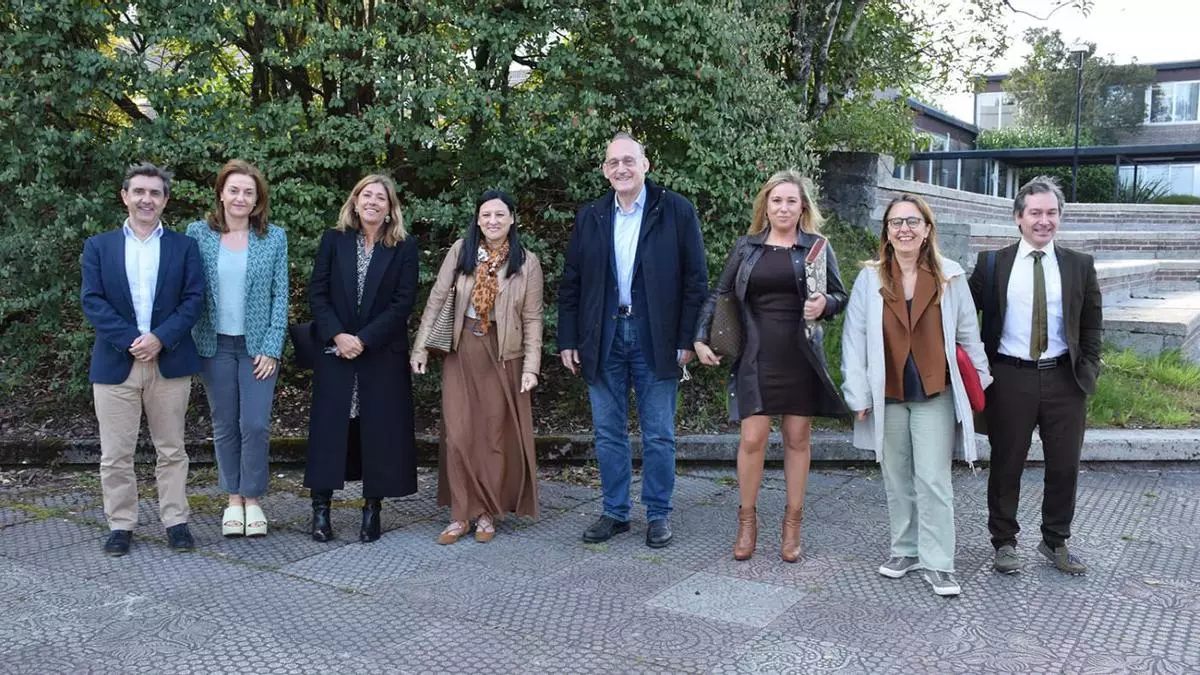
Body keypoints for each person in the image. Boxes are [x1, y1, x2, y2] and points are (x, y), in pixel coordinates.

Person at [557, 132, 709, 548]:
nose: (621, 168)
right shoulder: (592, 216)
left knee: (659, 433)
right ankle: (615, 511)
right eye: (613, 162)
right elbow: (572, 283)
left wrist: (688, 338)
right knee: (608, 432)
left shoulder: (676, 210)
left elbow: (696, 281)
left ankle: (658, 513)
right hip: (602, 336)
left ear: (646, 165)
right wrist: (568, 338)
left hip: (656, 336)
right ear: (605, 171)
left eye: (629, 160)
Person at [694, 169, 849, 563]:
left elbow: (839, 295)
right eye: (776, 200)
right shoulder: (747, 248)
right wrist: (699, 337)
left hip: (801, 356)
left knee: (797, 438)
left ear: (802, 208)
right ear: (765, 206)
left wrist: (826, 304)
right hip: (756, 354)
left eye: (791, 201)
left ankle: (792, 523)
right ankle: (747, 522)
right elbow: (720, 293)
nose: (783, 207)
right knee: (752, 439)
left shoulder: (817, 248)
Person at [840, 194, 992, 596]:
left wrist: (980, 381)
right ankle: (905, 550)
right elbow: (854, 339)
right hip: (887, 392)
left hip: (934, 391)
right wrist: (857, 393)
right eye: (896, 223)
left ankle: (938, 562)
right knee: (896, 476)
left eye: (912, 222)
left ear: (927, 230)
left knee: (933, 479)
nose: (904, 229)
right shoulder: (870, 278)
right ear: (886, 232)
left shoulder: (950, 276)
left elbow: (967, 334)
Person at [969, 175, 1102, 576]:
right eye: (1035, 213)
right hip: (1010, 377)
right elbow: (962, 317)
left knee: (1065, 466)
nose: (1044, 221)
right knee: (1007, 464)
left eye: (1051, 213)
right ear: (1018, 217)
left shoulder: (1080, 265)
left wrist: (1088, 369)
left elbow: (1092, 324)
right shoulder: (992, 264)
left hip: (1065, 378)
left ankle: (1055, 540)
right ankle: (1004, 542)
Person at [81, 162, 204, 557]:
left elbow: (194, 300)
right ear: (125, 196)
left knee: (172, 449)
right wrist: (133, 340)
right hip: (116, 362)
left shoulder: (184, 247)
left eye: (154, 193)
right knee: (116, 453)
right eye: (139, 191)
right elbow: (93, 301)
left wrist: (160, 338)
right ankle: (121, 524)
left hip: (169, 361)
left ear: (165, 200)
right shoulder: (99, 246)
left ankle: (176, 521)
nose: (146, 199)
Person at [411, 190, 543, 544]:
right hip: (462, 349)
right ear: (478, 219)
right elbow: (437, 299)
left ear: (512, 219)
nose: (492, 221)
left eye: (499, 214)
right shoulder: (461, 251)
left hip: (503, 353)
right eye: (486, 215)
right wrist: (420, 348)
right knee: (458, 435)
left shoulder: (526, 262)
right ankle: (460, 513)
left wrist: (531, 366)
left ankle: (486, 513)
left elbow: (532, 318)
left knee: (493, 435)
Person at [305, 174, 420, 544]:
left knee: (378, 431)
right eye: (366, 195)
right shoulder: (334, 240)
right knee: (329, 432)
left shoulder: (404, 247)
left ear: (390, 208)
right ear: (355, 202)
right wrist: (338, 335)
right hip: (335, 350)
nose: (372, 202)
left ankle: (372, 509)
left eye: (380, 198)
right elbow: (317, 293)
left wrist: (364, 339)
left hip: (380, 353)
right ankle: (320, 510)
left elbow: (403, 302)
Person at [187, 160, 289, 538]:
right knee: (225, 423)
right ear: (221, 194)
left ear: (258, 199)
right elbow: (188, 288)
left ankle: (254, 498)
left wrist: (272, 346)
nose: (240, 198)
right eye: (234, 190)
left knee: (255, 424)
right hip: (214, 344)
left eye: (248, 192)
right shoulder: (198, 234)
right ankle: (233, 498)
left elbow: (280, 296)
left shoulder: (274, 238)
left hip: (257, 347)